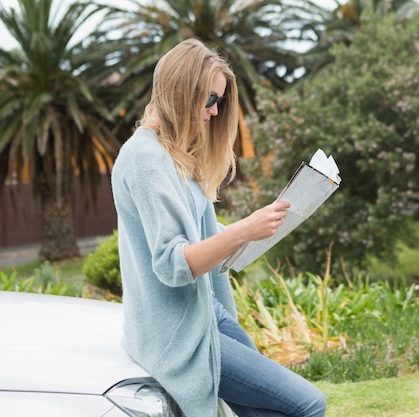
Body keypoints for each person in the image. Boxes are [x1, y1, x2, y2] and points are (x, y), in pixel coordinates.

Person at [111, 38, 327, 417]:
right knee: (308, 404)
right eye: (210, 100)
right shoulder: (146, 159)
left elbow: (199, 234)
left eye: (220, 102)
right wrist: (243, 231)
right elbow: (172, 264)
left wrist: (261, 230)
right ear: (180, 92)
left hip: (207, 313)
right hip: (180, 331)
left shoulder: (170, 154)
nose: (214, 112)